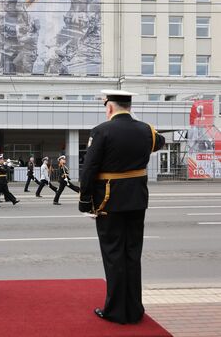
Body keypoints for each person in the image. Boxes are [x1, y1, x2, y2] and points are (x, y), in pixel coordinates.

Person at [78, 90, 165, 325]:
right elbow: (160, 142)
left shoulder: (102, 131)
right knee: (132, 254)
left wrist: (85, 200)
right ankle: (134, 309)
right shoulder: (146, 130)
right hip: (137, 199)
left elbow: (89, 168)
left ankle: (116, 311)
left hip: (109, 200)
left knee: (114, 254)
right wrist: (138, 122)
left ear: (109, 107)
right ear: (129, 106)